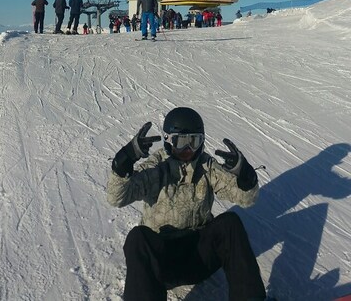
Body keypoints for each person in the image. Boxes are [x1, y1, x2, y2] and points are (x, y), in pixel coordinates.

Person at [107, 107, 266, 301]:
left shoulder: (206, 166)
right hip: (163, 263)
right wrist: (123, 164)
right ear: (168, 140)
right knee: (137, 238)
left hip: (199, 257)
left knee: (230, 223)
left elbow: (246, 199)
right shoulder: (157, 168)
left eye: (194, 141)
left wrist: (246, 178)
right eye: (181, 142)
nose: (188, 149)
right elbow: (116, 198)